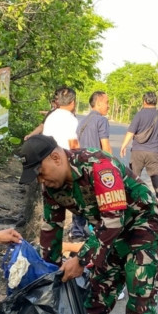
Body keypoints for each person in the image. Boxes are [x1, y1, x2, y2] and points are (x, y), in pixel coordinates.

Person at [18, 135, 158, 314]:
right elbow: (51, 229)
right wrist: (48, 274)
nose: (41, 181)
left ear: (56, 157)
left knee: (139, 287)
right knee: (97, 293)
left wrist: (81, 260)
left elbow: (113, 221)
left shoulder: (98, 166)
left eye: (40, 173)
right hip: (109, 231)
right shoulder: (52, 185)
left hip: (140, 223)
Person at [42, 86, 89, 241]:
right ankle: (77, 232)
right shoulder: (70, 119)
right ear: (73, 102)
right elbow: (73, 145)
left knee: (53, 202)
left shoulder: (51, 116)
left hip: (48, 164)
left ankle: (52, 237)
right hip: (65, 164)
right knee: (80, 199)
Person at [70, 90, 113, 240]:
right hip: (96, 167)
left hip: (81, 167)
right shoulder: (101, 121)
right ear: (99, 103)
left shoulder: (82, 122)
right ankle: (98, 234)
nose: (108, 106)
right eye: (107, 103)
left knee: (82, 201)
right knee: (99, 203)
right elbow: (105, 147)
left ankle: (76, 233)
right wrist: (113, 167)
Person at [119, 91, 158, 209]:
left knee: (134, 176)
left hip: (138, 151)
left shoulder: (139, 115)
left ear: (144, 101)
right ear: (155, 102)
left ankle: (135, 201)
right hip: (153, 151)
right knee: (156, 173)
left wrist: (124, 146)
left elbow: (131, 132)